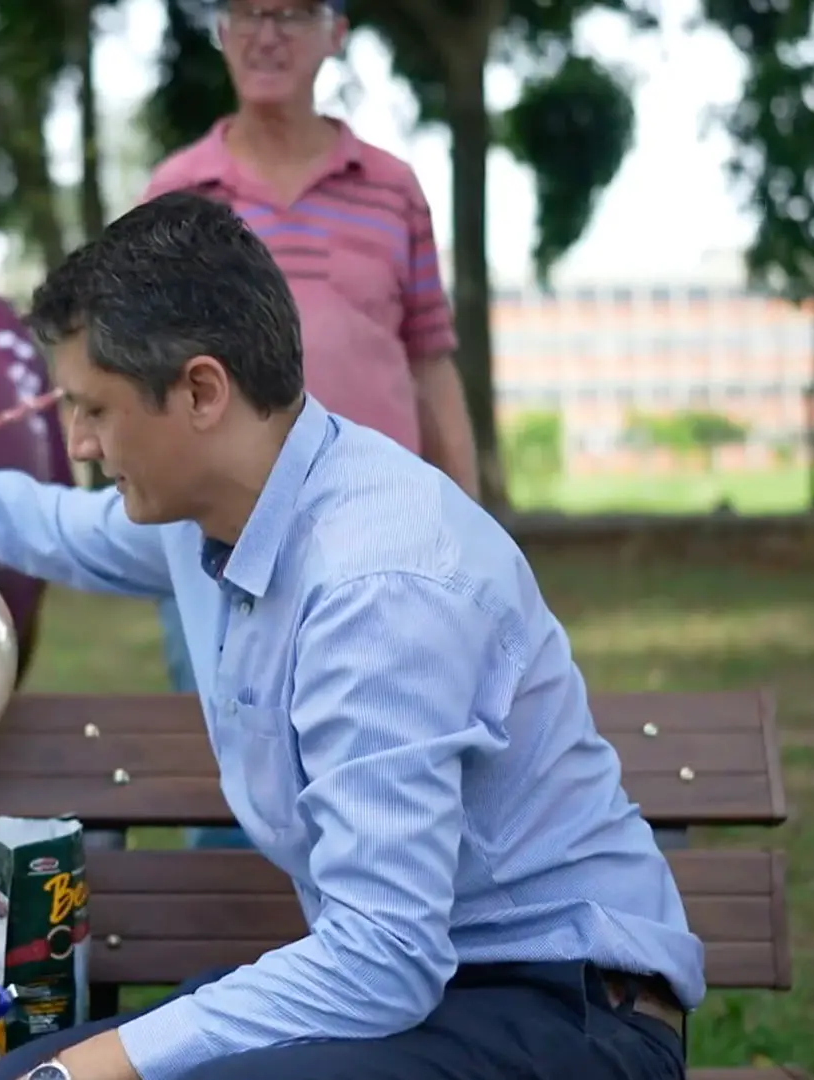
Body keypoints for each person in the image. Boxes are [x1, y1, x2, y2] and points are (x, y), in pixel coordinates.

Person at [0, 191, 697, 1080]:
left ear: (200, 393)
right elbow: (19, 518)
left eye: (92, 411)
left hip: (567, 1017)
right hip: (435, 991)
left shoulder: (380, 583)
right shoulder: (217, 511)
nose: (79, 447)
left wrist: (95, 1068)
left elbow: (383, 963)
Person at [140, 0, 480, 851]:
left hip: (385, 548)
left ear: (336, 31)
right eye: (245, 11)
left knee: (393, 773)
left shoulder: (393, 188)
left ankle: (390, 959)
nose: (266, 33)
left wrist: (470, 523)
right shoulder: (175, 193)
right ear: (218, 30)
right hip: (226, 553)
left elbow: (431, 361)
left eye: (291, 12)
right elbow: (144, 385)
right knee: (243, 808)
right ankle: (243, 978)